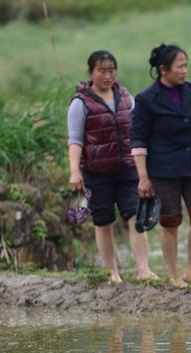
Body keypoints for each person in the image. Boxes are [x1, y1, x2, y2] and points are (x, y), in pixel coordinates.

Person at [131, 42, 191, 288]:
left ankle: (190, 271)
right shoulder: (147, 99)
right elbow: (138, 140)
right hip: (164, 170)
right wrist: (143, 177)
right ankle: (174, 274)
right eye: (179, 66)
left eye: (186, 66)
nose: (184, 71)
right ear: (163, 69)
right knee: (170, 222)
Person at [67, 50, 156, 284]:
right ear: (91, 73)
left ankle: (144, 270)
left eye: (111, 71)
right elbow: (75, 140)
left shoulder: (126, 97)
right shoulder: (80, 103)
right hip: (97, 173)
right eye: (102, 71)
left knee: (136, 216)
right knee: (103, 221)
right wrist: (75, 171)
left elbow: (138, 132)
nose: (107, 76)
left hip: (128, 169)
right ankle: (112, 272)